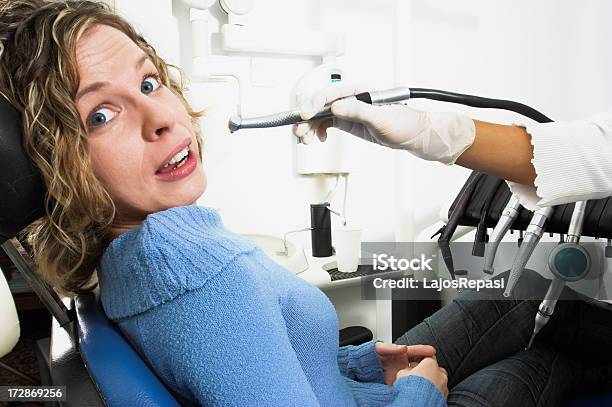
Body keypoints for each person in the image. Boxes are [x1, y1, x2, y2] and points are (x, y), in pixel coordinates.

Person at [0, 1, 610, 406]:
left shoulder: (141, 254)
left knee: (518, 295)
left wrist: (369, 362)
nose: (159, 117)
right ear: (47, 164)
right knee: (544, 357)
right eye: (101, 115)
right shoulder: (185, 270)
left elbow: (262, 363)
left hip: (359, 388)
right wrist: (420, 393)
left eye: (150, 82)